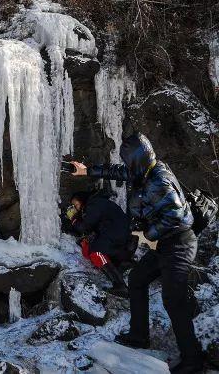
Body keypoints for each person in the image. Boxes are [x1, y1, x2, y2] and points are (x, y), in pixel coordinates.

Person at [70, 133, 203, 374]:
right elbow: (115, 172)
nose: (127, 167)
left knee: (174, 302)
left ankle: (193, 361)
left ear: (138, 160)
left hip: (179, 243)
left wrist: (147, 234)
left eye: (129, 162)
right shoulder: (142, 172)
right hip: (165, 245)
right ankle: (139, 335)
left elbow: (179, 216)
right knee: (137, 280)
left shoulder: (159, 181)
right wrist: (86, 171)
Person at [66, 190, 134, 297]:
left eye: (76, 204)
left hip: (115, 232)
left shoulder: (94, 204)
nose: (75, 207)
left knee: (96, 252)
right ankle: (121, 263)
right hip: (115, 231)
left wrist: (73, 218)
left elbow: (84, 226)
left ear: (82, 200)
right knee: (88, 248)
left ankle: (120, 285)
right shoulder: (96, 203)